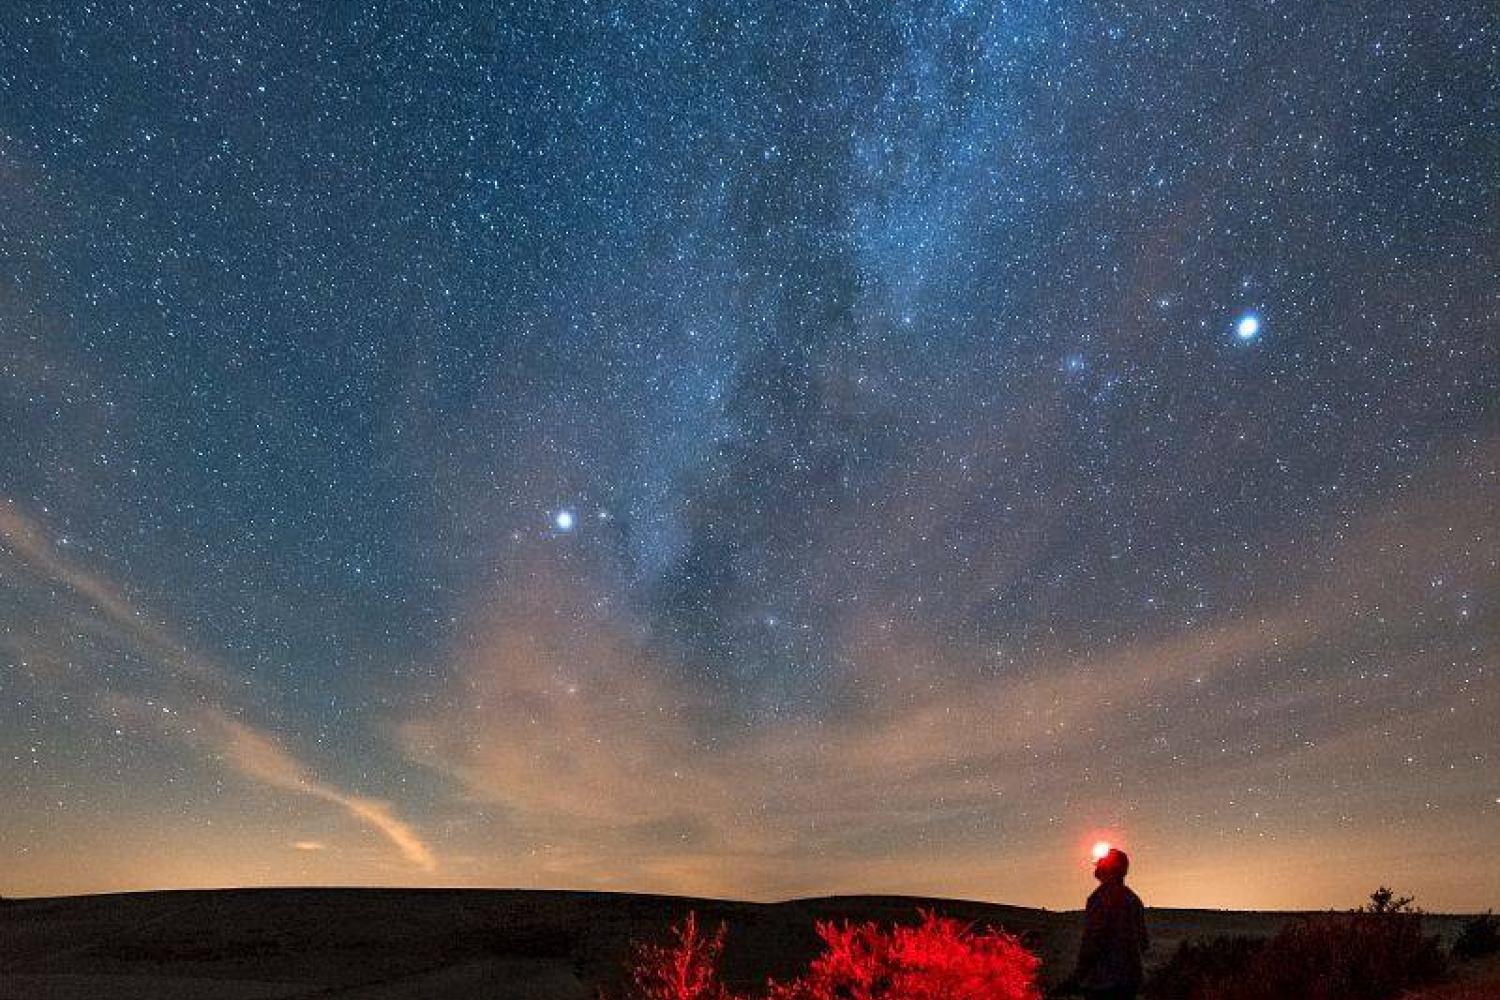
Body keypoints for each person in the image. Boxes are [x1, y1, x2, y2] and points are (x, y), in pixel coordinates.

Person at [1067, 847, 1149, 1000]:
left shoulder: (1099, 898)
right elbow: (1144, 943)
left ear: (1108, 868)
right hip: (1128, 982)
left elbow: (1093, 941)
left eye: (1101, 862)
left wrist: (1079, 974)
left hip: (1102, 984)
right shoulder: (1134, 900)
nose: (1097, 865)